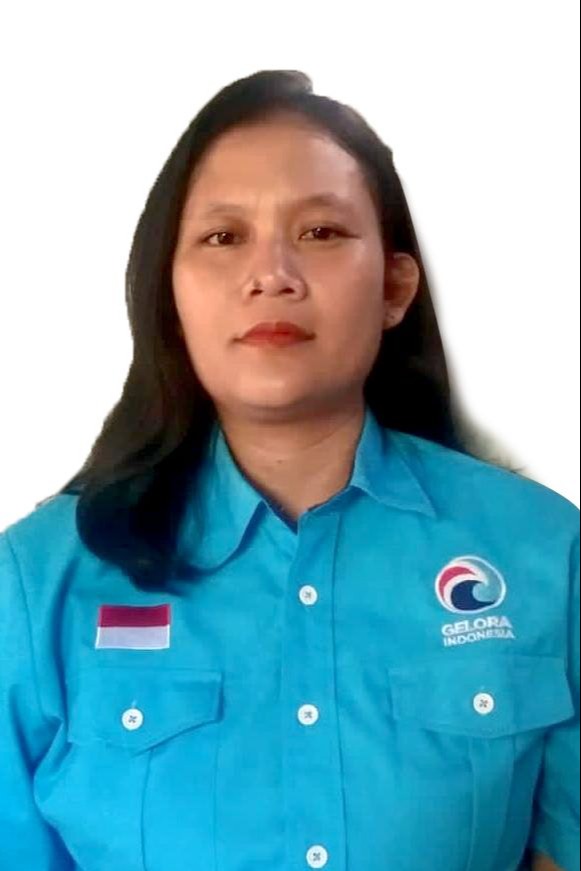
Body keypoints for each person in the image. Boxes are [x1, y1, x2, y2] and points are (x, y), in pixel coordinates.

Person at [0, 69, 578, 871]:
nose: (271, 273)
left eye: (320, 231)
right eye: (223, 237)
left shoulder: (543, 549)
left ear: (394, 287)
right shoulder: (37, 583)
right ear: (171, 296)